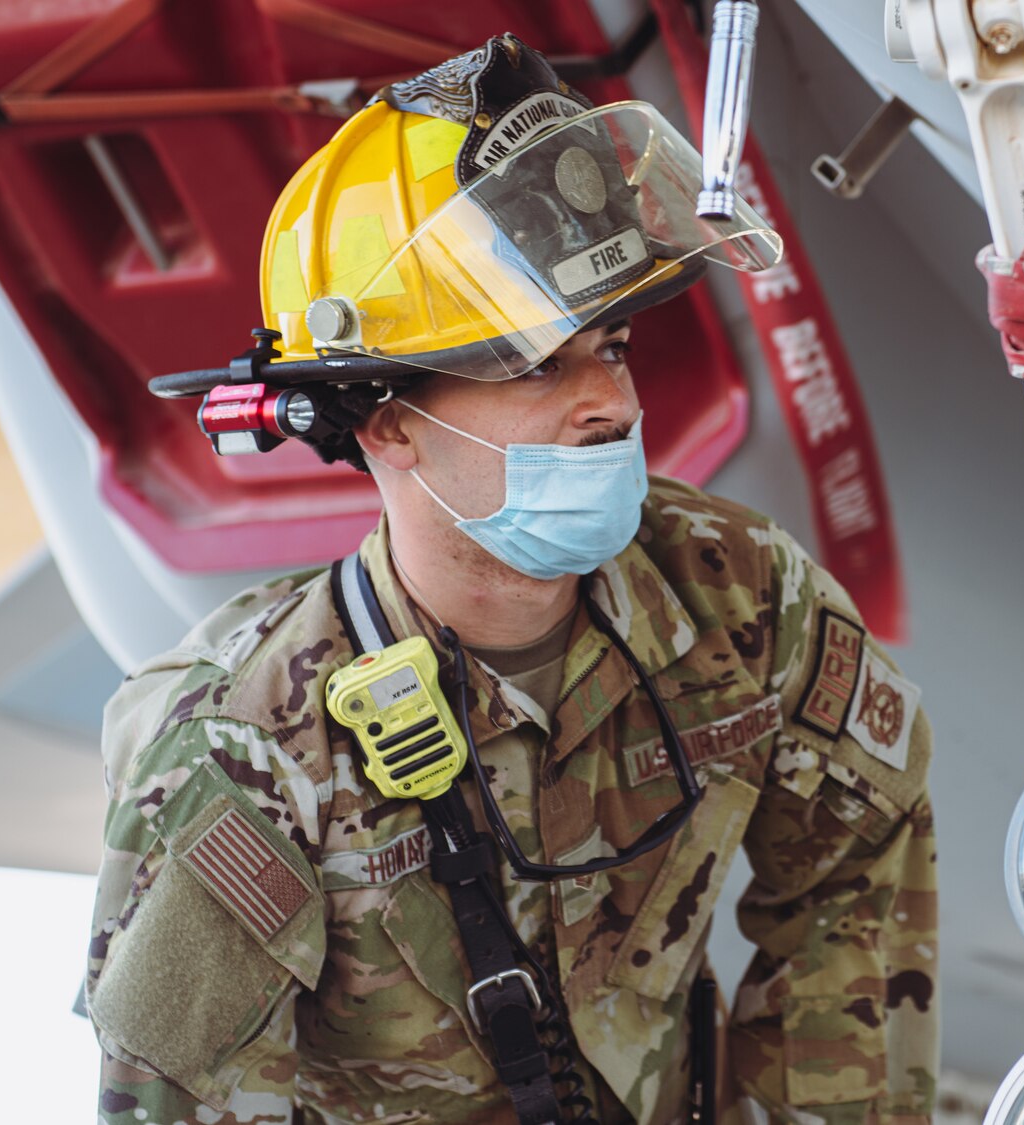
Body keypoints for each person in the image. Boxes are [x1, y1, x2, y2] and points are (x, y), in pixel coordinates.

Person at [86, 34, 936, 1125]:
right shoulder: (245, 745)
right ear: (390, 423)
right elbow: (174, 1102)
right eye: (539, 365)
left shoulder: (741, 597)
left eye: (613, 347)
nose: (613, 404)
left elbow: (850, 890)